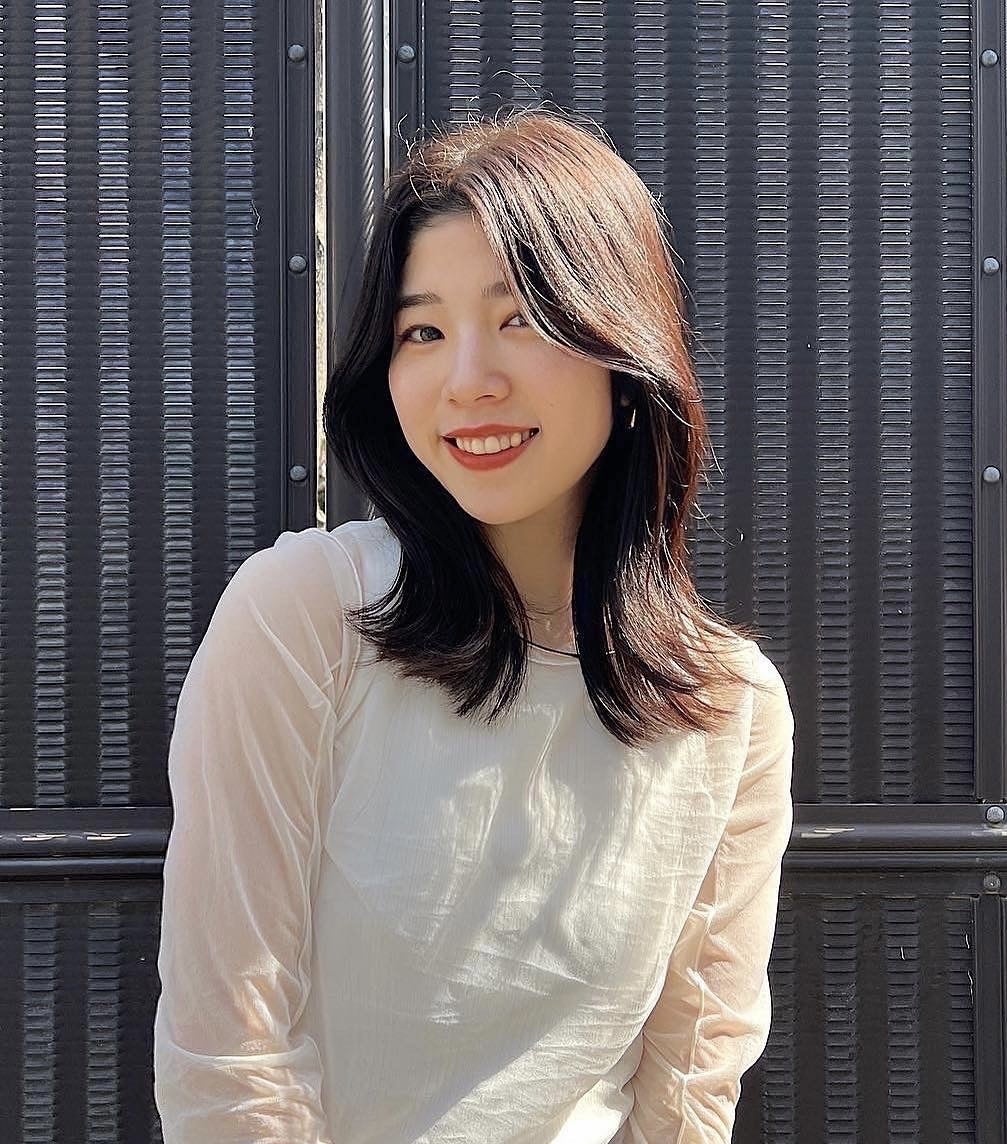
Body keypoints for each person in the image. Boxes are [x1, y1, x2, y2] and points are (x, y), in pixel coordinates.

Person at [152, 108, 795, 1144]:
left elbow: (687, 1094)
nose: (467, 381)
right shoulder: (305, 615)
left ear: (622, 350)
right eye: (422, 331)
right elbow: (229, 1061)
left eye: (520, 318)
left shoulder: (729, 709)